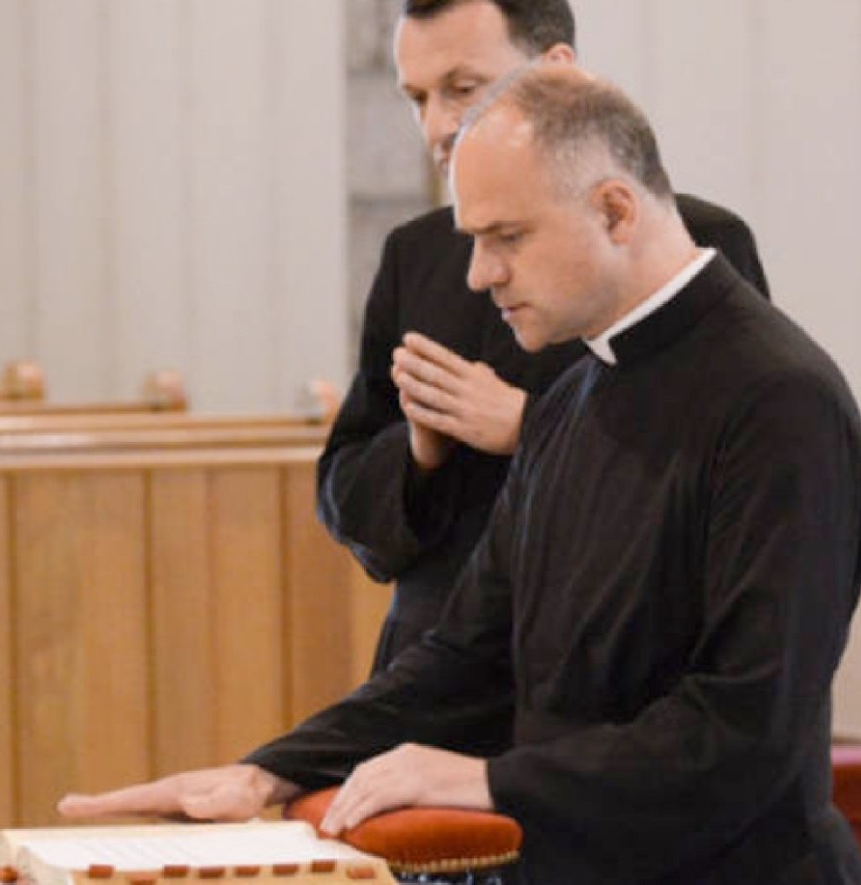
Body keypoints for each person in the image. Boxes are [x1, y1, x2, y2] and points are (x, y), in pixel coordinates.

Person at [61, 64, 861, 884]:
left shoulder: (779, 399)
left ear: (616, 210)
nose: (478, 275)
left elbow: (745, 725)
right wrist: (268, 771)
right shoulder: (570, 397)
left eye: (506, 237)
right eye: (473, 238)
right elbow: (468, 655)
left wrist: (485, 778)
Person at [323, 0, 771, 682]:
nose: (439, 125)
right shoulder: (414, 257)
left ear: (557, 73)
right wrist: (421, 452)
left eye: (463, 89)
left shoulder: (691, 242)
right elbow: (347, 492)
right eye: (418, 98)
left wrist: (530, 427)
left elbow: (726, 472)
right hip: (435, 670)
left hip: (610, 674)